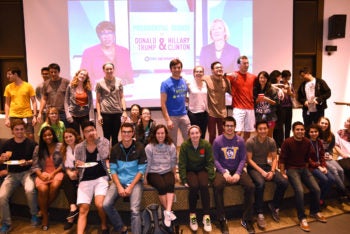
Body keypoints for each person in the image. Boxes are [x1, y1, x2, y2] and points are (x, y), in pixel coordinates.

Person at [279, 121, 326, 232]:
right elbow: (282, 159)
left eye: (302, 129)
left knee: (316, 189)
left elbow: (307, 158)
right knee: (299, 191)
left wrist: (306, 169)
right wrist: (282, 172)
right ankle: (302, 218)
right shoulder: (287, 142)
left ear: (304, 131)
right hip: (291, 169)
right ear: (293, 131)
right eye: (297, 129)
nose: (300, 131)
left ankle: (315, 211)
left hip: (303, 169)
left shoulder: (307, 142)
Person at [212, 116, 255, 234]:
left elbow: (243, 159)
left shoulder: (240, 141)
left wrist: (237, 173)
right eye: (227, 126)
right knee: (217, 186)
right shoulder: (217, 141)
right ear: (223, 127)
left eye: (232, 126)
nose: (230, 128)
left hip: (237, 169)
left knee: (250, 186)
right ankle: (221, 218)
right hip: (223, 170)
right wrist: (224, 172)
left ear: (235, 127)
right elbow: (215, 160)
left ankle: (246, 219)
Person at [103, 122, 147, 234]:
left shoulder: (140, 147)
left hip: (135, 182)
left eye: (129, 132)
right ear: (121, 133)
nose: (126, 134)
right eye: (124, 132)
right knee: (106, 205)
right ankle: (121, 228)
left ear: (133, 133)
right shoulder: (115, 148)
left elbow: (141, 170)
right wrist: (119, 186)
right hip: (119, 181)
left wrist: (131, 187)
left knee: (135, 210)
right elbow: (113, 170)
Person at [246, 120, 288, 229]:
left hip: (266, 166)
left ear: (267, 129)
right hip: (254, 167)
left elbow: (274, 158)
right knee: (260, 183)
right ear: (256, 130)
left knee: (283, 182)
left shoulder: (271, 141)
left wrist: (272, 171)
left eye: (265, 128)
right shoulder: (250, 141)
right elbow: (249, 160)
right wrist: (262, 172)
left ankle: (274, 206)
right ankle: (260, 213)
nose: (263, 131)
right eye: (260, 129)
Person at [0, 119, 39, 233]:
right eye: (16, 129)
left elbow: (36, 160)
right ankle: (6, 223)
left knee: (30, 190)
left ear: (25, 130)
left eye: (22, 129)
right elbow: (2, 160)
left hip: (27, 173)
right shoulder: (7, 144)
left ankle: (34, 215)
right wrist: (2, 160)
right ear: (12, 131)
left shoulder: (32, 143)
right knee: (1, 196)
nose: (19, 132)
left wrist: (27, 162)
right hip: (11, 175)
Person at [75, 121, 110, 234]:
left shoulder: (104, 142)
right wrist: (78, 165)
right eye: (87, 131)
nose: (90, 133)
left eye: (92, 130)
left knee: (100, 204)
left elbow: (105, 156)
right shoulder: (79, 147)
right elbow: (78, 165)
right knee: (83, 209)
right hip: (85, 179)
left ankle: (104, 224)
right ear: (83, 134)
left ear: (96, 130)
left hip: (101, 177)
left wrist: (97, 142)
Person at [178, 125, 214, 232]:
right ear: (189, 135)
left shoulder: (206, 144)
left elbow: (210, 162)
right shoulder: (185, 146)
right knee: (193, 186)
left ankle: (206, 217)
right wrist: (184, 179)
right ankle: (192, 215)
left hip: (202, 169)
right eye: (192, 133)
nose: (195, 135)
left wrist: (210, 178)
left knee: (204, 185)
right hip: (190, 170)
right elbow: (182, 164)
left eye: (196, 133)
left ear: (200, 134)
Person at [80, 21, 133, 88]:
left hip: (121, 93)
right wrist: (96, 83)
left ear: (114, 34)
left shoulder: (123, 52)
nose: (107, 37)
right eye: (103, 34)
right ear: (99, 36)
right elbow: (83, 78)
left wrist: (124, 82)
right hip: (98, 93)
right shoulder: (89, 53)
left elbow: (130, 77)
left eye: (109, 33)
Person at [144, 124, 177, 228]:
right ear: (155, 134)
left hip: (167, 171)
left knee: (170, 184)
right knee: (162, 186)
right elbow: (147, 163)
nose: (160, 135)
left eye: (162, 133)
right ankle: (168, 211)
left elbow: (173, 161)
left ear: (166, 134)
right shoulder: (149, 147)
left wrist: (175, 174)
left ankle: (167, 211)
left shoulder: (171, 146)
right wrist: (145, 177)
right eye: (158, 133)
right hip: (153, 172)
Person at [32, 126, 64, 231]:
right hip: (42, 172)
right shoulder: (38, 148)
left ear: (53, 135)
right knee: (43, 189)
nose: (47, 137)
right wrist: (41, 175)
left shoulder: (60, 146)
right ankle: (45, 217)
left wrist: (53, 173)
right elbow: (35, 165)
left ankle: (43, 211)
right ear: (42, 137)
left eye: (49, 134)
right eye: (45, 135)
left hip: (57, 172)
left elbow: (63, 164)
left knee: (55, 186)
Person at [96, 62, 128, 146]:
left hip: (117, 113)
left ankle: (114, 157)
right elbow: (98, 101)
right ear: (103, 70)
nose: (109, 71)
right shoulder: (99, 83)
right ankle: (106, 157)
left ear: (113, 69)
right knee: (106, 137)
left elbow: (122, 97)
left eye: (111, 69)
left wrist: (124, 111)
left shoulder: (119, 81)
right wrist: (99, 115)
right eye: (107, 69)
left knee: (115, 137)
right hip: (105, 113)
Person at [160, 58, 191, 146]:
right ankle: (173, 160)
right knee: (172, 143)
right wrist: (168, 120)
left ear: (181, 68)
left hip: (184, 115)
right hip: (172, 117)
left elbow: (182, 95)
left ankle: (188, 159)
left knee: (189, 139)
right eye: (174, 68)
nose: (177, 70)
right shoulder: (165, 83)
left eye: (179, 67)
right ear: (171, 69)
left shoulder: (183, 81)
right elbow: (162, 103)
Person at [318, 117, 349, 199]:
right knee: (334, 170)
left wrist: (329, 154)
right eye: (322, 123)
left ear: (328, 125)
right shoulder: (315, 134)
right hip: (319, 158)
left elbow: (330, 148)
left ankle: (340, 192)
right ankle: (344, 191)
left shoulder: (331, 135)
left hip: (328, 157)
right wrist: (322, 156)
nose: (324, 125)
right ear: (318, 123)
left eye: (326, 124)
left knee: (340, 170)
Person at [226, 55, 256, 141]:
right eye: (244, 63)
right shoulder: (233, 75)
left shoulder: (253, 77)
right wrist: (227, 74)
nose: (246, 65)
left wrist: (278, 89)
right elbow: (219, 78)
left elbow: (265, 83)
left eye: (247, 63)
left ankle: (244, 151)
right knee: (238, 132)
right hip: (238, 108)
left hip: (250, 108)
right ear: (239, 65)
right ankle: (236, 150)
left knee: (248, 133)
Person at [3, 66, 37, 140]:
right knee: (17, 136)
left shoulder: (28, 86)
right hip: (14, 115)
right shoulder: (8, 87)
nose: (7, 76)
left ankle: (31, 151)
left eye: (9, 74)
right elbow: (7, 103)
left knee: (30, 136)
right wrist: (6, 118)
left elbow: (34, 101)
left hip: (27, 115)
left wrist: (34, 116)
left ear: (15, 74)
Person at [202, 61, 231, 144]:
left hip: (223, 113)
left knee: (223, 135)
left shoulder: (226, 80)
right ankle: (213, 154)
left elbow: (233, 93)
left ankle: (222, 153)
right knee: (212, 136)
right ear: (212, 70)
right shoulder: (206, 78)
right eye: (217, 67)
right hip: (211, 113)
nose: (219, 69)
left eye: (221, 67)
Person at [307, 124, 335, 208]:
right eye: (311, 132)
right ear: (308, 133)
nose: (314, 133)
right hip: (311, 167)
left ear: (318, 133)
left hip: (320, 165)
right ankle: (317, 199)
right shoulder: (307, 142)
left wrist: (324, 166)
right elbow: (307, 159)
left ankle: (319, 198)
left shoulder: (319, 142)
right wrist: (318, 166)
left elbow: (322, 156)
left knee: (332, 179)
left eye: (315, 132)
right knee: (325, 179)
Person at [60, 128, 82, 230]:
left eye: (70, 136)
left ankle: (71, 219)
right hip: (71, 173)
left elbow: (86, 162)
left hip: (83, 172)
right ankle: (73, 207)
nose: (68, 139)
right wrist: (69, 173)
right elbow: (65, 166)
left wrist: (77, 172)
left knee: (76, 183)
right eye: (66, 137)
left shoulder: (82, 146)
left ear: (75, 136)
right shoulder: (64, 149)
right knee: (65, 178)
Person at [64, 69, 95, 135]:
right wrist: (68, 115)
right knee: (76, 136)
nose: (82, 76)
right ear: (77, 75)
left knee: (88, 134)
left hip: (85, 115)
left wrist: (92, 117)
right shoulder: (70, 86)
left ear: (86, 78)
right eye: (81, 74)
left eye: (85, 75)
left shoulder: (88, 88)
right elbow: (66, 102)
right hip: (73, 115)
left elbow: (91, 103)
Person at [253, 71, 279, 137]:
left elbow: (276, 103)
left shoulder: (272, 89)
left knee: (270, 136)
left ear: (267, 79)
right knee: (259, 136)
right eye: (261, 78)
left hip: (270, 116)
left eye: (264, 78)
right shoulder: (255, 89)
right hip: (258, 116)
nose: (262, 79)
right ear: (258, 79)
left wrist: (266, 99)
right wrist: (258, 100)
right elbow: (252, 103)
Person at [273, 70, 294, 149]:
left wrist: (288, 89)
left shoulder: (290, 84)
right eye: (286, 78)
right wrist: (284, 89)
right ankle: (280, 144)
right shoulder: (278, 84)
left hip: (289, 106)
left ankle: (287, 142)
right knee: (280, 126)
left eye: (288, 78)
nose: (287, 79)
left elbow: (292, 95)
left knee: (288, 125)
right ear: (283, 77)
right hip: (281, 107)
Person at [187, 66, 208, 139]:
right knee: (193, 135)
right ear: (193, 73)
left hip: (204, 113)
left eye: (201, 71)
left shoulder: (206, 84)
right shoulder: (189, 84)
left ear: (203, 73)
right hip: (193, 114)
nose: (199, 73)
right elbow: (184, 97)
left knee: (202, 135)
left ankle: (201, 150)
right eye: (197, 71)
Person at [334, 117, 350, 183]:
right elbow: (336, 145)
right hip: (344, 157)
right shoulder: (340, 132)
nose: (345, 122)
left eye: (347, 121)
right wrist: (343, 154)